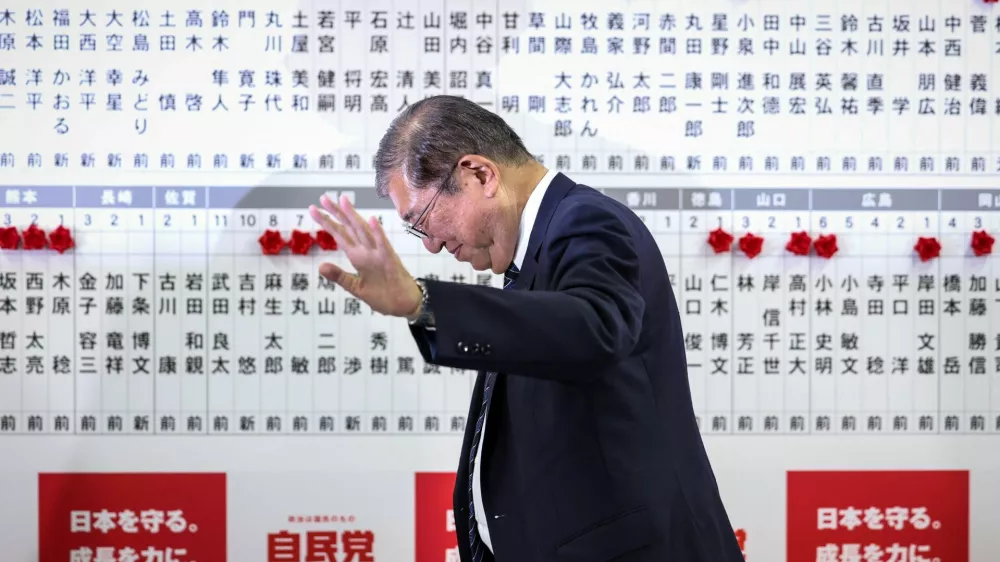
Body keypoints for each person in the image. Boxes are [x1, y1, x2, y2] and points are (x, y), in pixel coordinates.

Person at [308, 95, 745, 562]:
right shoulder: (534, 248)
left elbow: (597, 327)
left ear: (479, 174)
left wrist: (424, 303)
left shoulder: (586, 221)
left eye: (422, 220)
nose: (432, 245)